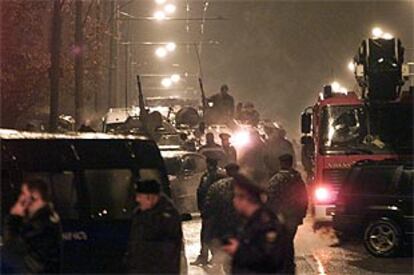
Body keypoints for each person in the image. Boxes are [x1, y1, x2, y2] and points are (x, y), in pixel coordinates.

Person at [222, 174, 287, 274]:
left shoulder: (267, 224)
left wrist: (239, 251)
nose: (233, 200)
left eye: (236, 195)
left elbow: (270, 260)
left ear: (245, 198)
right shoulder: (251, 221)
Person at [2, 178, 62, 273]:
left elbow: (13, 246)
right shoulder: (45, 217)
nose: (20, 198)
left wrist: (13, 218)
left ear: (34, 196)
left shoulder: (40, 223)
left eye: (23, 194)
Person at [126, 180, 182, 274]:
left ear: (151, 197)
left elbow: (165, 255)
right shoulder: (140, 213)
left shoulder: (166, 218)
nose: (137, 200)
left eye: (140, 196)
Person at [267, 154, 308, 274]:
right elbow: (304, 197)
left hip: (280, 217)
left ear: (281, 163)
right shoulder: (297, 179)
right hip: (294, 216)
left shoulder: (275, 180)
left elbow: (270, 199)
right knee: (289, 240)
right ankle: (289, 264)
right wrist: (302, 213)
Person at [203, 163, 243, 273]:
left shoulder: (216, 186)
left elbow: (207, 209)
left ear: (226, 172)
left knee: (226, 260)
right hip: (241, 230)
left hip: (221, 229)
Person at [191, 158, 226, 266]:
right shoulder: (206, 175)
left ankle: (215, 257)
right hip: (207, 209)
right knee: (205, 234)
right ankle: (204, 256)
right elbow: (200, 191)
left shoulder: (219, 175)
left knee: (211, 234)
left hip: (214, 210)